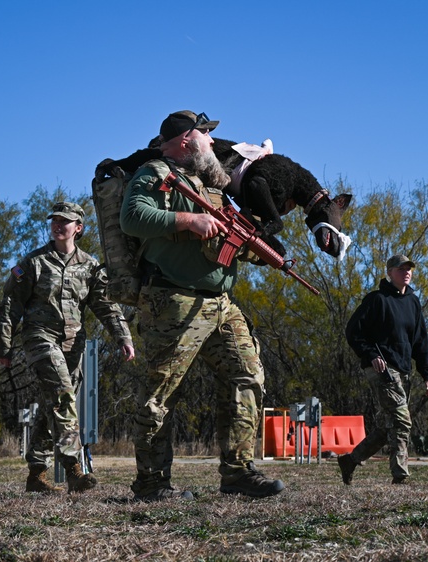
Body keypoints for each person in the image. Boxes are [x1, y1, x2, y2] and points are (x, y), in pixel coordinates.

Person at [119, 110, 285, 501]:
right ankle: (151, 484)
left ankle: (238, 472)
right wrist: (186, 221)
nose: (212, 141)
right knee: (162, 393)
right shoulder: (156, 172)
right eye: (205, 134)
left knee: (247, 375)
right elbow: (132, 216)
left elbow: (225, 239)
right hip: (173, 299)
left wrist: (259, 248)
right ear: (184, 140)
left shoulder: (210, 185)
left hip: (221, 304)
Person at [0, 202, 135, 494]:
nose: (58, 226)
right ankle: (74, 470)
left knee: (54, 405)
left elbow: (106, 307)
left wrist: (123, 337)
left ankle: (36, 474)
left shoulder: (90, 266)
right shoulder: (34, 262)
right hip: (39, 338)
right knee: (62, 394)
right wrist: (3, 346)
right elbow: (10, 306)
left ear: (78, 228)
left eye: (65, 221)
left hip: (73, 345)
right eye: (54, 221)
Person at [339, 254, 428, 485]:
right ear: (390, 273)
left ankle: (351, 460)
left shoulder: (413, 302)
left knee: (388, 425)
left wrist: (427, 373)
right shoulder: (377, 300)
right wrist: (370, 354)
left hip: (403, 369)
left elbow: (420, 340)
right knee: (402, 421)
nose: (407, 272)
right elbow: (353, 332)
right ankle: (400, 476)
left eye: (409, 268)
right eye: (401, 269)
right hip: (381, 368)